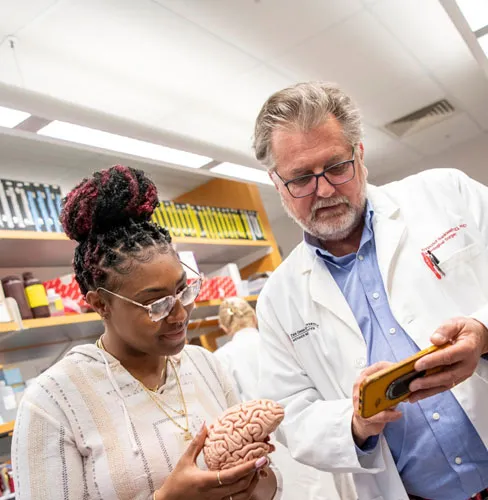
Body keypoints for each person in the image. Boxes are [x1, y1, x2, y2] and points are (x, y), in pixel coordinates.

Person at [253, 81, 488, 500]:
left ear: (359, 156)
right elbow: (291, 412)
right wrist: (356, 422)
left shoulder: (445, 194)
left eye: (336, 167)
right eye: (301, 178)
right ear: (277, 184)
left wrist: (483, 330)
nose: (323, 190)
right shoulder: (278, 299)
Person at [12, 165, 278, 500]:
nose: (180, 314)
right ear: (100, 304)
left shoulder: (206, 365)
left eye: (184, 290)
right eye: (156, 304)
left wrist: (253, 481)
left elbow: (267, 485)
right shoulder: (52, 402)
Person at [215, 297, 357, 500]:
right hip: (302, 426)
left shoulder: (222, 358)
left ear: (223, 327)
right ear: (254, 317)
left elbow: (233, 414)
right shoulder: (275, 342)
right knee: (324, 488)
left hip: (265, 443)